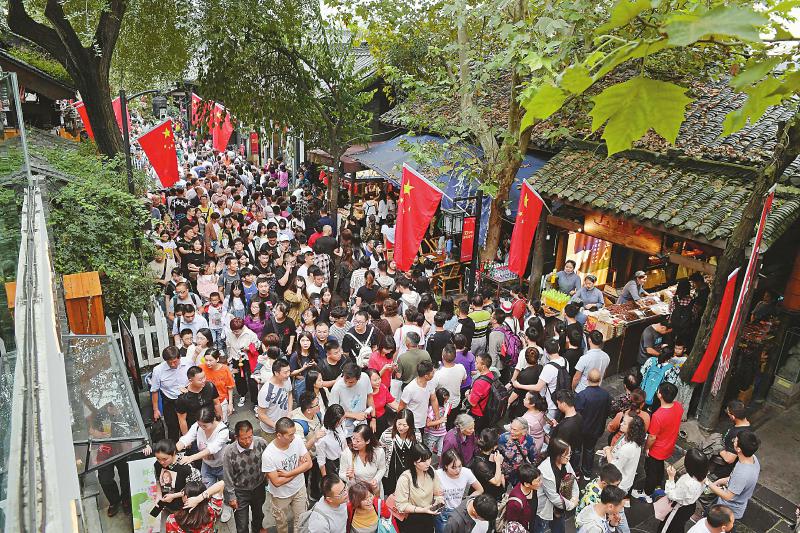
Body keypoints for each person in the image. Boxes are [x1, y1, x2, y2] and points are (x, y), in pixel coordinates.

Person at [632, 382, 683, 502]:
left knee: (651, 472)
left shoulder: (658, 416)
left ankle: (647, 493)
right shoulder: (678, 406)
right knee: (659, 466)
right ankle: (658, 484)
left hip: (657, 449)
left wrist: (646, 448)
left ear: (660, 395)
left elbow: (652, 437)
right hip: (669, 445)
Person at [261, 417, 312, 533]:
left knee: (301, 521)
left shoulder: (297, 440)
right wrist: (299, 469)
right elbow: (276, 482)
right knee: (281, 523)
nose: (293, 437)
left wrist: (289, 473)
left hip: (299, 488)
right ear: (279, 435)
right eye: (290, 435)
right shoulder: (268, 455)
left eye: (294, 433)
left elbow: (309, 464)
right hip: (280, 495)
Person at [222, 420, 268, 533]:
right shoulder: (229, 452)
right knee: (242, 524)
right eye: (243, 438)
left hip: (258, 487)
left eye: (250, 437)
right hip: (240, 492)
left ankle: (257, 529)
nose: (247, 441)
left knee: (258, 514)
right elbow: (227, 476)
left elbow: (269, 461)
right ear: (236, 437)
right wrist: (231, 497)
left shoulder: (261, 443)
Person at [706, 430, 760, 522]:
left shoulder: (742, 473)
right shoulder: (752, 458)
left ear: (739, 449)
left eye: (736, 440)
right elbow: (736, 479)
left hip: (727, 510)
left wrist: (707, 482)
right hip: (731, 503)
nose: (733, 440)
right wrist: (720, 481)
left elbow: (728, 496)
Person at [393, 443, 445, 533]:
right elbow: (401, 505)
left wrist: (439, 501)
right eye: (423, 461)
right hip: (411, 519)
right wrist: (423, 510)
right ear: (414, 462)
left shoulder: (431, 471)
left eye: (429, 458)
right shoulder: (405, 478)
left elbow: (438, 493)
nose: (428, 463)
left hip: (428, 517)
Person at [659, 448, 709, 533]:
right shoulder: (703, 476)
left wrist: (671, 477)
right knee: (678, 525)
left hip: (679, 508)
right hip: (690, 506)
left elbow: (671, 495)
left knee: (667, 526)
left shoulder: (687, 483)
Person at [535, 438, 579, 533]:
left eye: (569, 454)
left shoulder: (565, 463)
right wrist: (571, 505)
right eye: (565, 455)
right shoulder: (545, 470)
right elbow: (553, 497)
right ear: (557, 455)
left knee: (559, 529)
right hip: (548, 507)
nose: (568, 457)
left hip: (562, 505)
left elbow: (573, 480)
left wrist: (575, 497)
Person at [153, 439, 202, 524]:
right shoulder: (157, 464)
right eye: (158, 459)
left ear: (174, 454)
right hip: (166, 503)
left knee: (180, 526)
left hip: (182, 507)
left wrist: (174, 496)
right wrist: (159, 494)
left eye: (165, 459)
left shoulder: (186, 467)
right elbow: (158, 479)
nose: (161, 462)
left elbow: (195, 488)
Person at [435, 449, 483, 533]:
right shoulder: (437, 474)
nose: (458, 470)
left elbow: (480, 490)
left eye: (460, 466)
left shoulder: (466, 472)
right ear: (446, 466)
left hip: (459, 511)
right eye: (453, 467)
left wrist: (466, 500)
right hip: (443, 512)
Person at [575, 369, 611, 480]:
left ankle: (576, 471)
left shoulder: (582, 395)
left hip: (581, 429)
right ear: (600, 380)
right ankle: (587, 472)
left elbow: (577, 413)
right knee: (589, 449)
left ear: (587, 379)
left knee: (577, 450)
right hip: (596, 428)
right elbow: (607, 411)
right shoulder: (606, 395)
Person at [151, 346, 192, 440]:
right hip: (170, 401)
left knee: (189, 424)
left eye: (175, 362)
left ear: (179, 358)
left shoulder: (188, 362)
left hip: (187, 398)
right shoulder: (158, 370)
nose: (173, 365)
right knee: (172, 427)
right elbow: (154, 390)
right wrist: (156, 410)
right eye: (170, 363)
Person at [379, 408, 421, 495]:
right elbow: (380, 449)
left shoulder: (416, 434)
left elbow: (419, 451)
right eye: (399, 424)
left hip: (410, 469)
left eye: (405, 425)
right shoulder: (387, 434)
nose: (401, 428)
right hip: (392, 470)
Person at [603, 413, 646, 494]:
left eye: (624, 423)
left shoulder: (628, 448)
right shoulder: (627, 436)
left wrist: (608, 451)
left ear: (631, 428)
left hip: (619, 484)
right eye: (622, 421)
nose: (621, 424)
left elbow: (614, 466)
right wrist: (612, 449)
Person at [328, 363, 375, 437]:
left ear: (358, 378)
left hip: (362, 423)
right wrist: (355, 415)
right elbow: (334, 412)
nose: (347, 383)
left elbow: (370, 397)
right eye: (345, 380)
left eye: (351, 382)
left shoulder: (365, 378)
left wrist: (373, 418)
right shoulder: (337, 388)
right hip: (346, 428)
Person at [340, 424, 386, 496]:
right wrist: (349, 477)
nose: (354, 442)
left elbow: (382, 468)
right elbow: (341, 473)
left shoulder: (378, 451)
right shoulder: (347, 453)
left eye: (358, 441)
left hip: (373, 490)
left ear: (367, 441)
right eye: (353, 438)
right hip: (356, 491)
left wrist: (376, 480)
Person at [176, 366, 221, 435]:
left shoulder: (210, 386)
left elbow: (217, 403)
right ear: (191, 380)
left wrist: (220, 421)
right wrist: (186, 437)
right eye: (200, 380)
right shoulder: (183, 398)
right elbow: (182, 420)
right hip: (195, 430)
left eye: (204, 377)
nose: (203, 381)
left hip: (212, 425)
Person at [257, 359, 294, 443]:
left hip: (285, 424)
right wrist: (277, 426)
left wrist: (289, 412)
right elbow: (261, 414)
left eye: (289, 371)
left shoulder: (287, 380)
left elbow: (289, 394)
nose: (288, 374)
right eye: (285, 372)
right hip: (270, 431)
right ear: (276, 373)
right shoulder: (266, 391)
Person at [399, 360, 439, 437]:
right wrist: (401, 424)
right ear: (426, 376)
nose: (434, 373)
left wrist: (437, 418)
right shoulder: (410, 389)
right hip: (412, 424)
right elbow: (401, 406)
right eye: (432, 372)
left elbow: (434, 399)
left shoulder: (430, 382)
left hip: (423, 422)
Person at [498, 417, 537, 489]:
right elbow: (496, 454)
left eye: (515, 430)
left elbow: (533, 458)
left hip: (519, 473)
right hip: (504, 472)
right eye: (511, 428)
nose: (511, 432)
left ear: (524, 432)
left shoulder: (530, 441)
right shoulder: (503, 438)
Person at [468, 429, 505, 502]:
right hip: (483, 496)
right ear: (494, 446)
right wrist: (498, 463)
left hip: (493, 491)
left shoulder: (494, 453)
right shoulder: (480, 463)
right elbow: (497, 482)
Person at [201, 350, 235, 422]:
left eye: (210, 360)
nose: (208, 363)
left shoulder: (225, 369)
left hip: (222, 401)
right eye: (206, 360)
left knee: (222, 422)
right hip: (206, 402)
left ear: (217, 359)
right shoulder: (201, 368)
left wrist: (230, 404)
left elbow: (230, 387)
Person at [467, 353, 496, 433]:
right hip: (487, 411)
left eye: (477, 363)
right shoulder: (492, 375)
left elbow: (473, 403)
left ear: (483, 367)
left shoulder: (480, 383)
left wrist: (467, 395)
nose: (475, 364)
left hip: (478, 413)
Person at [316, 404, 348, 477]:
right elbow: (321, 460)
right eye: (339, 422)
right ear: (332, 421)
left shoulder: (341, 424)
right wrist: (325, 478)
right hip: (332, 464)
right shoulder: (322, 436)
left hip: (343, 459)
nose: (341, 423)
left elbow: (344, 441)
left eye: (342, 420)